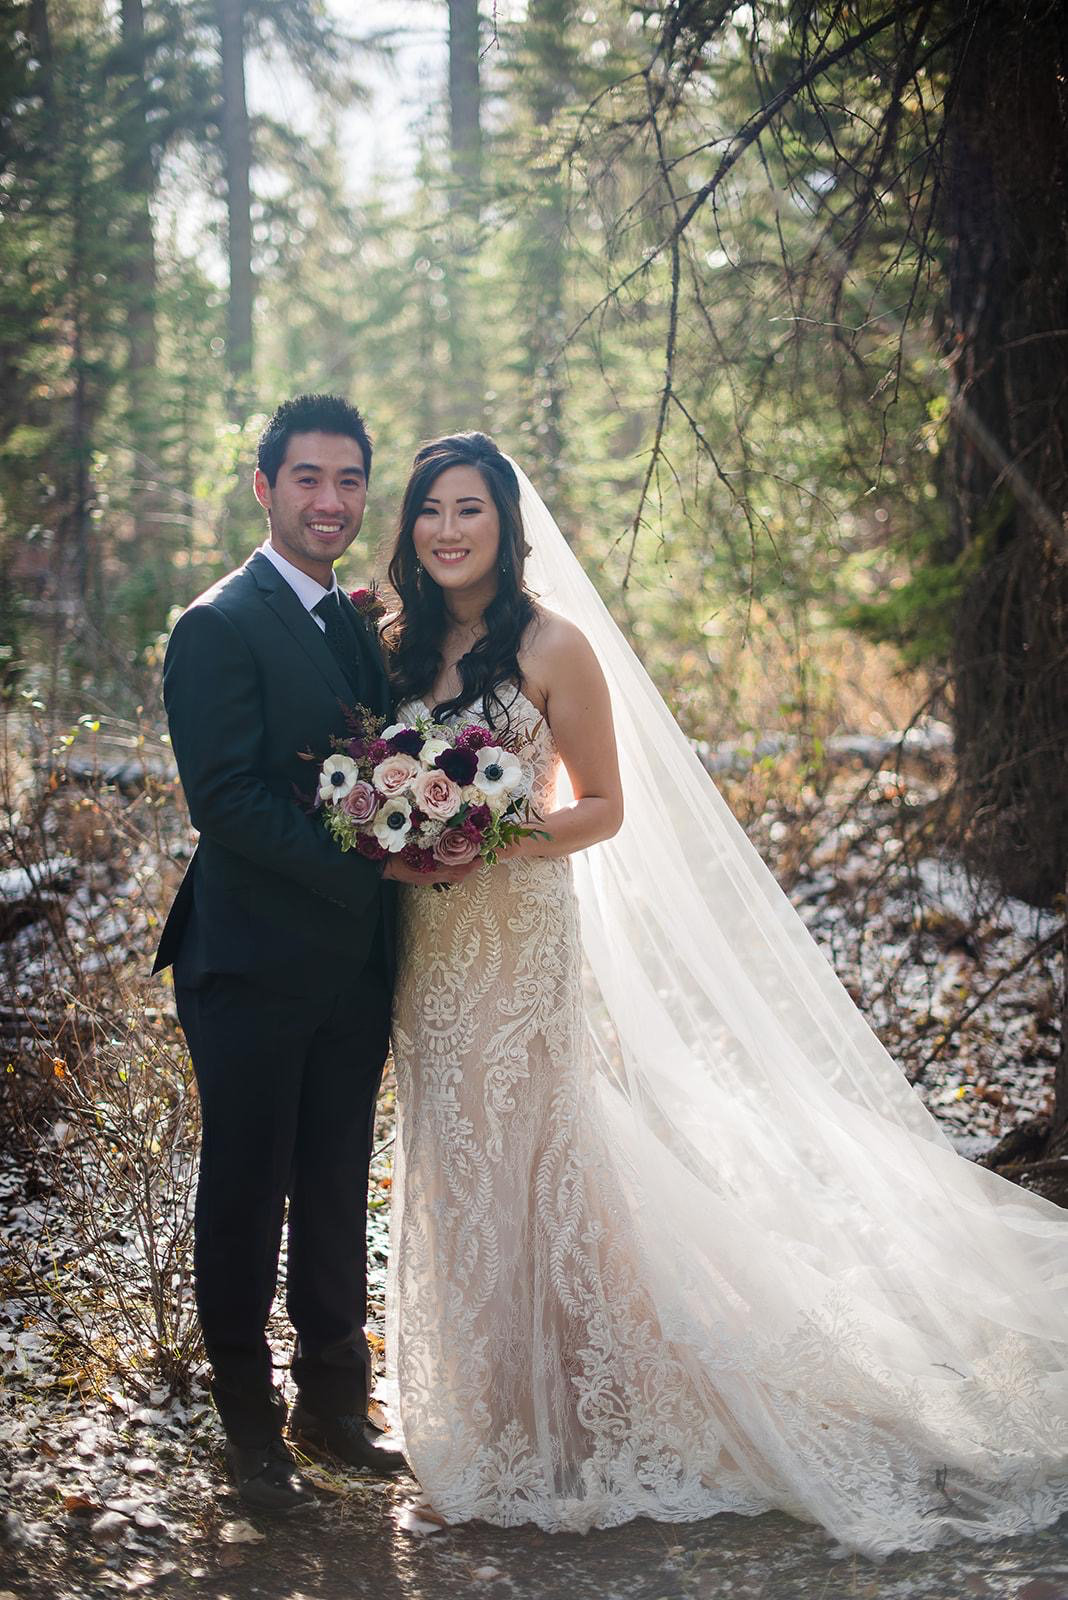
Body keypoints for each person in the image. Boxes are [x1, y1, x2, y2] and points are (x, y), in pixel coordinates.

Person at [382, 432, 1068, 1556]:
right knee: (458, 1156)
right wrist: (404, 830)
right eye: (429, 510)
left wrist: (485, 833)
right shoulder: (395, 644)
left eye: (471, 509)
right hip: (427, 942)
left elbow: (602, 806)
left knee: (538, 1147)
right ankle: (502, 1401)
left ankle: (592, 1396)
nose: (448, 529)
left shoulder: (554, 646)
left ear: (507, 524)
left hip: (516, 932)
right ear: (409, 526)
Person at [154, 394, 470, 1513]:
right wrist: (374, 867)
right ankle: (249, 1433)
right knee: (247, 1185)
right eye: (307, 480)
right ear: (266, 488)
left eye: (348, 482)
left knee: (336, 1176)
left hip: (354, 961)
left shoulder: (354, 620)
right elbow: (227, 799)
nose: (330, 501)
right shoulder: (218, 623)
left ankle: (332, 1402)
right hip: (246, 962)